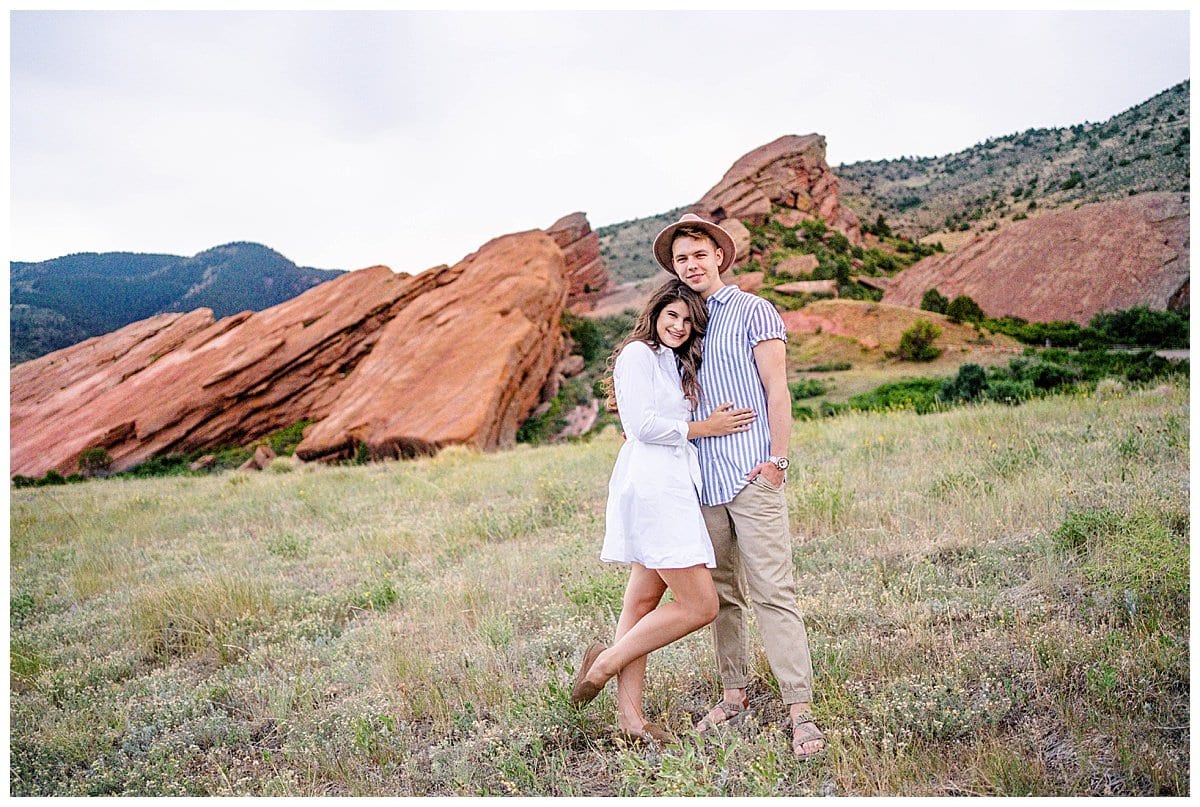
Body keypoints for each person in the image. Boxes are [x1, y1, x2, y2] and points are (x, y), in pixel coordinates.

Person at [651, 213, 826, 760]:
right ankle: (735, 696)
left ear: (719, 257)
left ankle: (800, 710)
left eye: (699, 254)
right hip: (702, 482)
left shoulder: (754, 310)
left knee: (774, 591)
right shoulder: (683, 324)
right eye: (682, 259)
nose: (692, 264)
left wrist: (778, 460)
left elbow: (778, 390)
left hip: (752, 474)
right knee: (722, 596)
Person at [570, 278, 757, 746]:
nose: (678, 326)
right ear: (655, 313)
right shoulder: (637, 353)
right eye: (671, 315)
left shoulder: (672, 362)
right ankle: (604, 664)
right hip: (655, 490)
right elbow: (640, 425)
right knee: (700, 605)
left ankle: (631, 724)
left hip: (671, 485)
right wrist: (706, 427)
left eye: (688, 321)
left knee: (641, 602)